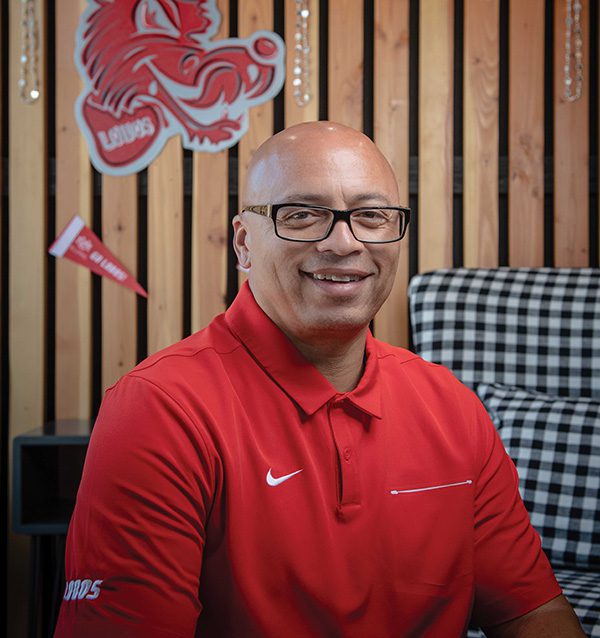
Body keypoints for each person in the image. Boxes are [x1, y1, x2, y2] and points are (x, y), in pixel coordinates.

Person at [55, 122, 584, 637]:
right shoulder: (160, 409)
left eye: (372, 215)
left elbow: (530, 612)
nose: (343, 242)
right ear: (243, 243)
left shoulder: (451, 406)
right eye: (303, 214)